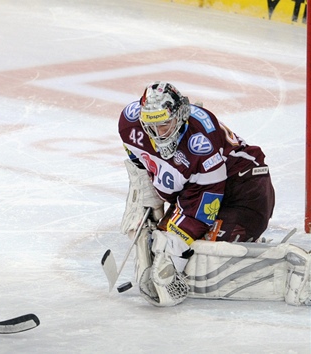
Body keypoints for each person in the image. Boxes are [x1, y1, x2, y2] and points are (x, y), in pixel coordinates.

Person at [117, 81, 309, 307]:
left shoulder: (202, 146)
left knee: (199, 256)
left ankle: (296, 270)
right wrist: (144, 194)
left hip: (244, 192)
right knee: (159, 243)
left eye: (164, 125)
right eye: (151, 125)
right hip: (198, 190)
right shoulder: (131, 123)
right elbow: (138, 156)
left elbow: (203, 207)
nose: (157, 134)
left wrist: (175, 252)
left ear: (179, 116)